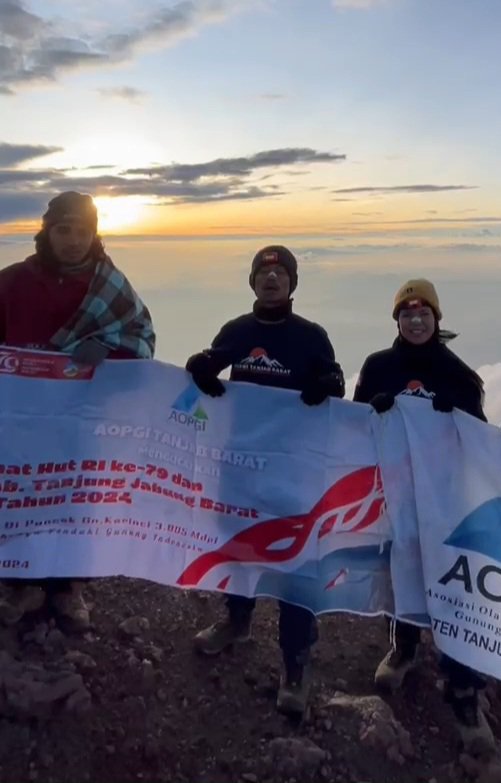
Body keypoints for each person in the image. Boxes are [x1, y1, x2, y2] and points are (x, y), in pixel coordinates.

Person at [186, 245, 344, 718]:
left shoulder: (312, 337)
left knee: (295, 567)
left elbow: (335, 387)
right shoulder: (237, 332)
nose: (271, 279)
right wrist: (201, 367)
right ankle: (237, 620)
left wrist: (330, 384)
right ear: (252, 282)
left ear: (292, 283)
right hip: (240, 468)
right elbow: (210, 374)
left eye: (280, 272)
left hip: (295, 476)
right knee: (239, 548)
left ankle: (296, 663)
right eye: (263, 272)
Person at [354, 278, 501, 750]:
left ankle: (462, 687)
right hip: (394, 495)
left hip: (447, 503)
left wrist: (470, 419)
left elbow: (479, 443)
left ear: (437, 320)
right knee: (400, 569)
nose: (415, 320)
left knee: (451, 587)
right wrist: (370, 411)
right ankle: (403, 649)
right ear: (396, 320)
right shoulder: (378, 367)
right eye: (406, 313)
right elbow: (352, 426)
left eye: (424, 313)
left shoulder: (459, 376)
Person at [0, 190, 155, 631]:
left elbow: (141, 337)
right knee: (21, 496)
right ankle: (17, 582)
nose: (72, 240)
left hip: (83, 419)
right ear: (46, 233)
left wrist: (107, 349)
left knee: (73, 500)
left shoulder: (108, 285)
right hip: (22, 418)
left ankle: (68, 587)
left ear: (94, 234)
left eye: (81, 231)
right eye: (62, 230)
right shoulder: (12, 282)